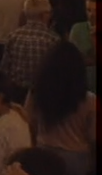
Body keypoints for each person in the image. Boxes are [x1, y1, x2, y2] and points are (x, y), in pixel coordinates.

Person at [24, 42, 96, 175]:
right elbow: (93, 137)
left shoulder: (36, 93)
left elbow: (29, 122)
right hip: (77, 158)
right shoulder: (89, 100)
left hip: (43, 154)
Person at [0, 0, 59, 104]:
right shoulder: (52, 39)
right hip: (41, 92)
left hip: (16, 90)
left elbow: (5, 67)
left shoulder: (13, 36)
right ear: (44, 15)